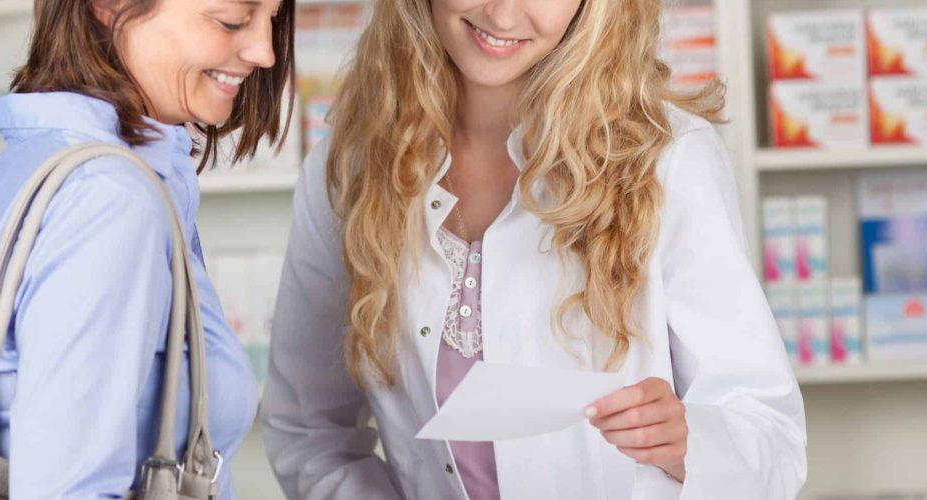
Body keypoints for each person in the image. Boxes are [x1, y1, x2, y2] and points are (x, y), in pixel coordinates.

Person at [262, 0, 806, 496]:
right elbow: (308, 428)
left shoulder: (669, 159)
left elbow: (770, 433)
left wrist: (690, 442)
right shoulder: (352, 167)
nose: (501, 14)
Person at [0, 0, 294, 497]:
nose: (266, 52)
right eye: (232, 20)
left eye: (273, 22)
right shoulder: (108, 198)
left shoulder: (50, 155)